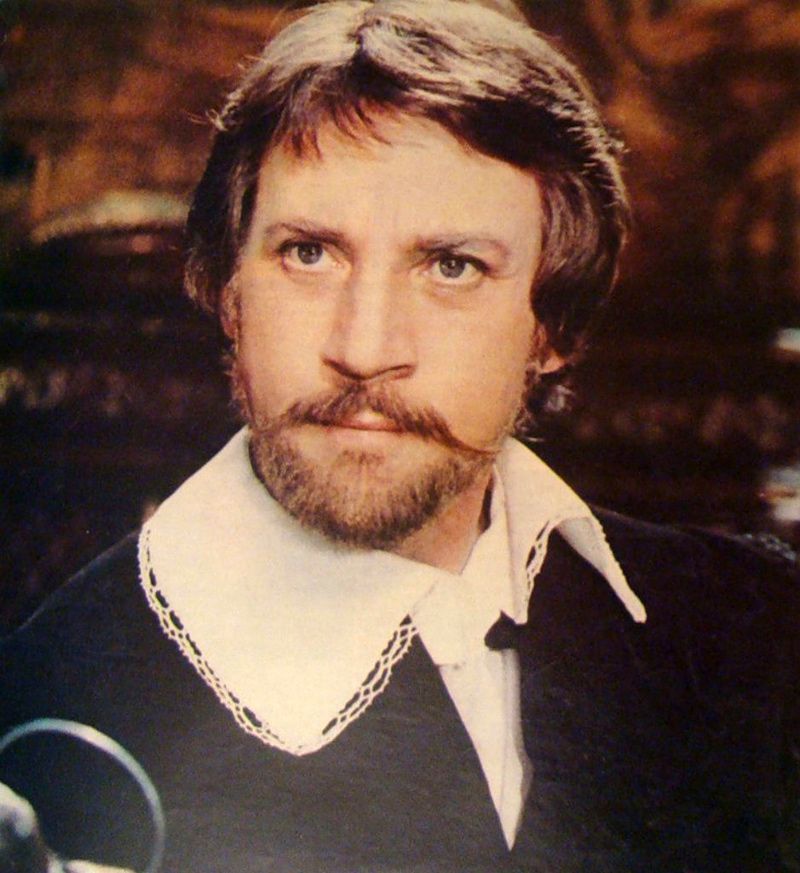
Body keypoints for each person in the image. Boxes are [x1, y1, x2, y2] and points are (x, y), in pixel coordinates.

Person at [1, 1, 798, 871]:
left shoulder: (760, 631)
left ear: (552, 328)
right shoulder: (52, 708)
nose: (364, 347)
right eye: (309, 253)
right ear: (228, 293)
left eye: (452, 266)